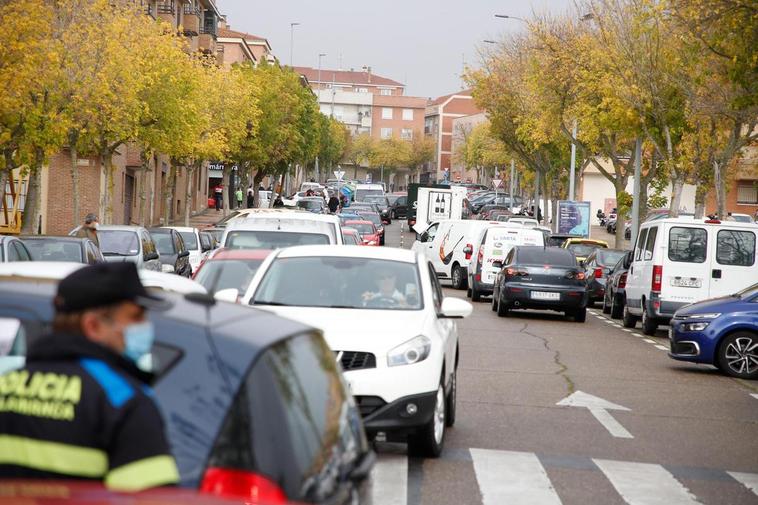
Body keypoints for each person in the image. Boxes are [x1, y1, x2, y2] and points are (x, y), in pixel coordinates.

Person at [0, 262, 179, 491]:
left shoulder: (5, 385)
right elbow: (152, 497)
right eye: (135, 317)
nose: (145, 326)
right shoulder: (123, 401)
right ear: (93, 326)